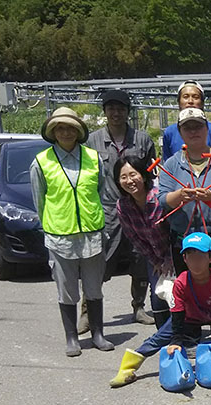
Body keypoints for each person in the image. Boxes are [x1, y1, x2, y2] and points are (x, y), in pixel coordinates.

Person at [111, 232, 211, 388]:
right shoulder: (181, 282)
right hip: (189, 317)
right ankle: (128, 368)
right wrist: (176, 341)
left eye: (200, 256)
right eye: (191, 256)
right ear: (184, 259)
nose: (196, 262)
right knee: (157, 339)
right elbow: (177, 313)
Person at [31, 107, 115, 357]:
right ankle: (71, 337)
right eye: (60, 128)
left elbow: (101, 191)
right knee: (67, 290)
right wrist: (51, 226)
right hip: (60, 237)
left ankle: (98, 334)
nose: (65, 132)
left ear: (78, 131)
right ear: (53, 132)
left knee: (94, 288)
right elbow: (39, 201)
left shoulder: (93, 158)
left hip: (92, 234)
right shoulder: (41, 162)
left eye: (70, 128)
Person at [83, 89, 158, 335]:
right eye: (111, 108)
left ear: (128, 112)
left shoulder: (142, 140)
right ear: (105, 112)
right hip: (107, 212)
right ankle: (87, 312)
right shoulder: (92, 141)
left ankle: (139, 306)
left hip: (138, 211)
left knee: (140, 259)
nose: (116, 113)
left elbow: (151, 175)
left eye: (121, 108)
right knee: (100, 262)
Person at [157, 108, 211, 279]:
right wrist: (179, 195)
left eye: (198, 126)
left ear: (207, 128)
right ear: (180, 132)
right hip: (183, 236)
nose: (193, 131)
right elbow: (163, 200)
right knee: (187, 285)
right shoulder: (172, 164)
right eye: (187, 128)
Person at [112, 155, 173, 331]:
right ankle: (164, 336)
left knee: (178, 297)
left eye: (133, 175)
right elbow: (134, 238)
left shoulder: (160, 198)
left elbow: (177, 231)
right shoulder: (123, 205)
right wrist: (156, 261)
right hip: (154, 258)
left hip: (176, 254)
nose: (129, 181)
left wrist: (169, 260)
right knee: (157, 297)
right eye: (123, 177)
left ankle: (184, 335)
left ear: (144, 175)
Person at [161, 80, 211, 159]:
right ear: (179, 102)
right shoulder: (169, 133)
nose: (190, 101)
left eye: (195, 97)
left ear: (202, 103)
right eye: (185, 97)